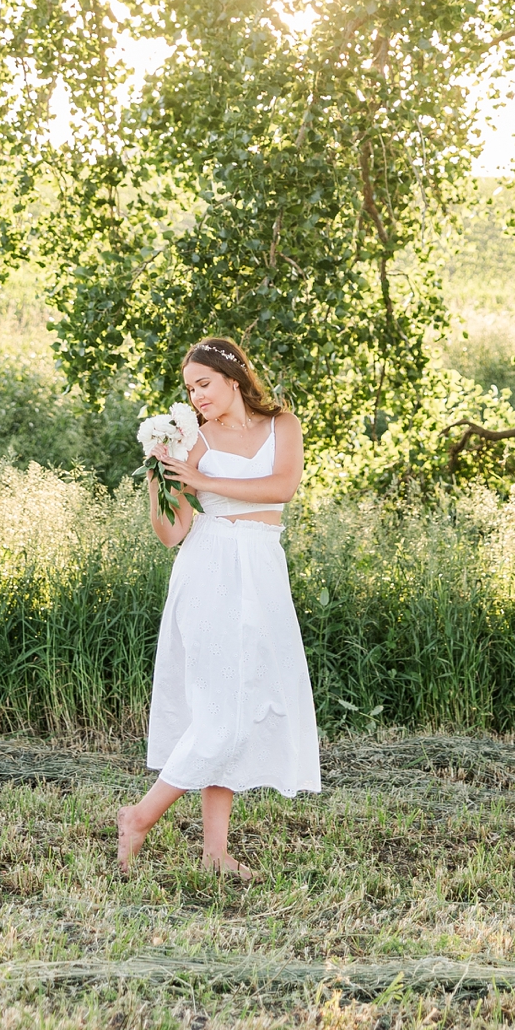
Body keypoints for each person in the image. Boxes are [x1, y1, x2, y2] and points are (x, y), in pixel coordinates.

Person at [116, 335, 320, 878]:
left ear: (234, 377)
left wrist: (202, 479)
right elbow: (173, 533)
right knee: (220, 710)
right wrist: (159, 479)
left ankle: (214, 853)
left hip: (261, 566)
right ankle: (139, 816)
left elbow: (284, 486)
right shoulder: (193, 443)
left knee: (240, 702)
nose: (196, 397)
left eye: (204, 384)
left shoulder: (283, 426)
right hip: (209, 567)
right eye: (189, 389)